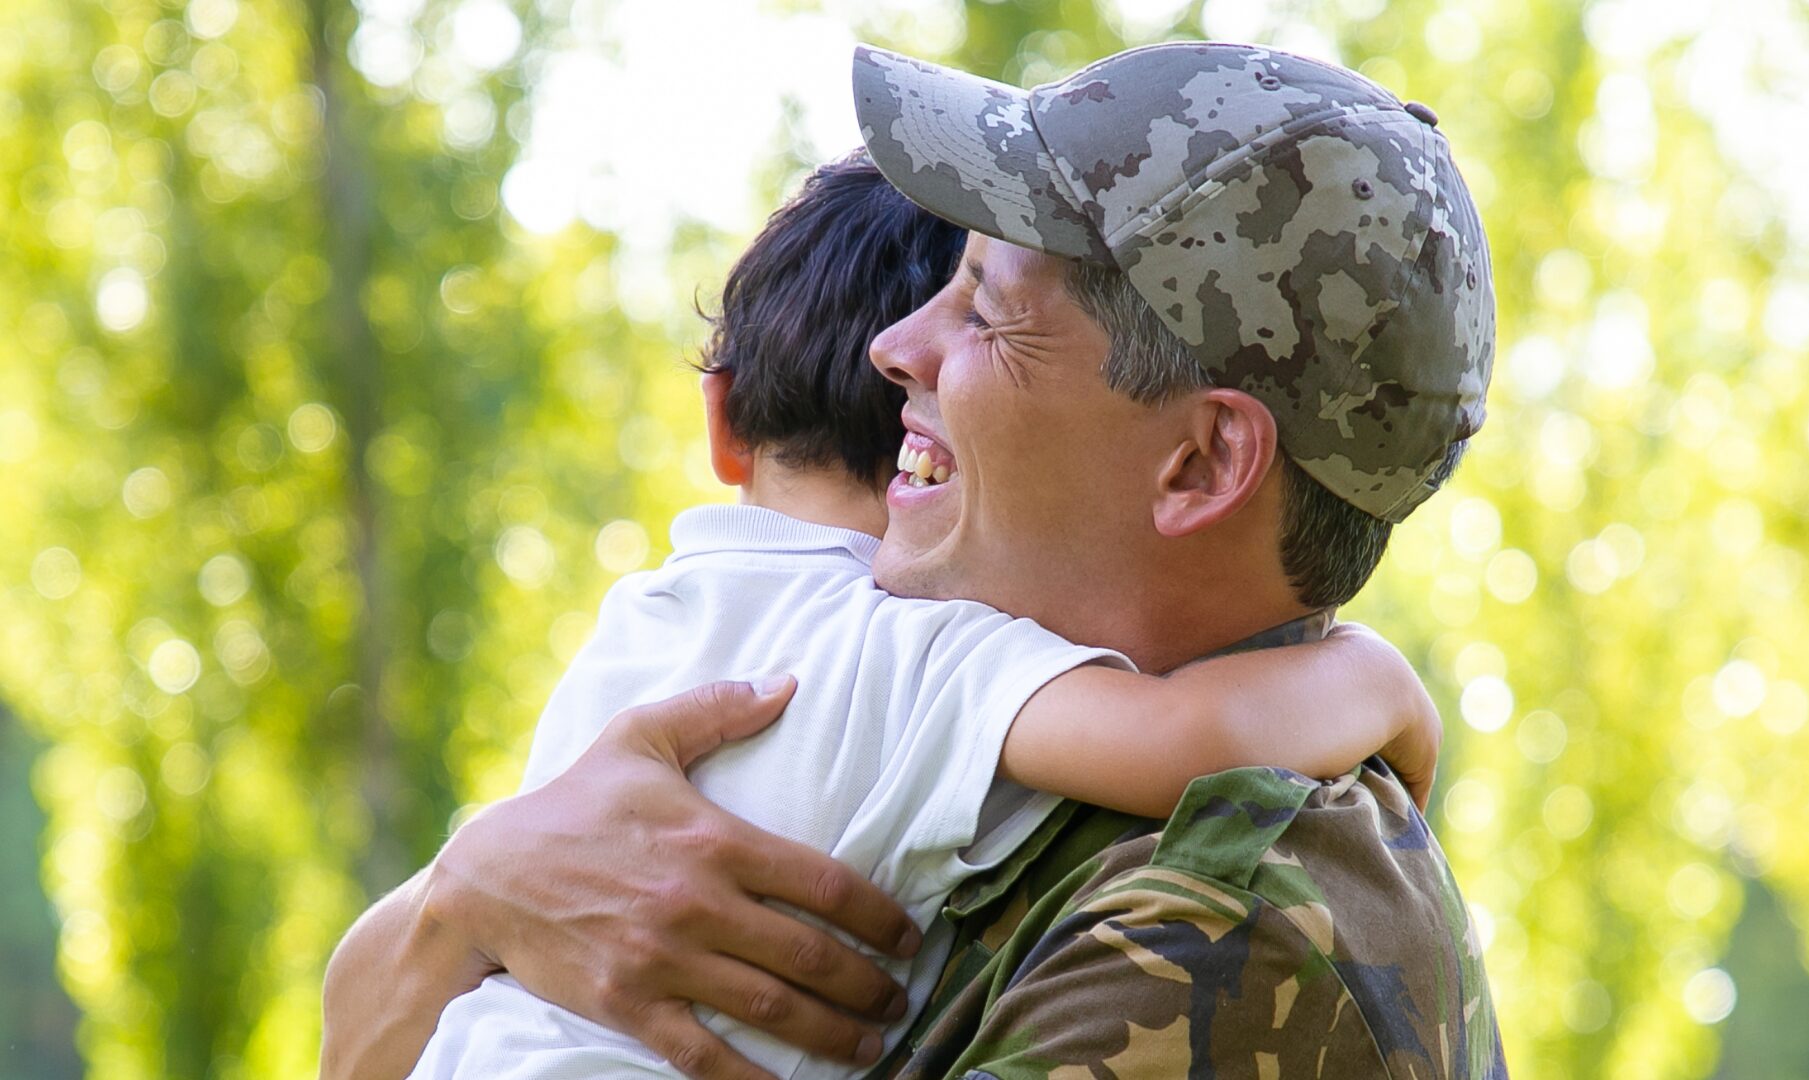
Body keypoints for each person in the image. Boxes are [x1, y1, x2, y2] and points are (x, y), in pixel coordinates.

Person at [323, 41, 1507, 1080]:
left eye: (986, 314)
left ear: (1198, 464)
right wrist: (471, 898)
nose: (895, 347)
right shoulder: (936, 707)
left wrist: (471, 916)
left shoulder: (1234, 920)